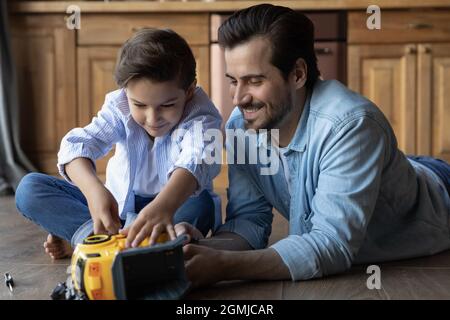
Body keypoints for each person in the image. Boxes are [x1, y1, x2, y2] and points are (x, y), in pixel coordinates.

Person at [174, 4, 450, 288]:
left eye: (254, 81)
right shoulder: (241, 126)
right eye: (233, 81)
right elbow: (249, 221)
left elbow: (331, 245)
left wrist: (222, 266)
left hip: (438, 195)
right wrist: (203, 249)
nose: (238, 98)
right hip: (385, 169)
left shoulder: (351, 125)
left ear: (297, 74)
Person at [15, 28, 222, 259]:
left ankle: (97, 245)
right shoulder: (119, 105)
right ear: (125, 92)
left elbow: (198, 158)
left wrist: (163, 206)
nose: (152, 118)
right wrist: (94, 192)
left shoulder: (201, 114)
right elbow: (76, 146)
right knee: (29, 188)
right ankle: (122, 242)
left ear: (190, 92)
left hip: (173, 205)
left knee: (201, 205)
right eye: (140, 105)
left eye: (167, 105)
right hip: (118, 209)